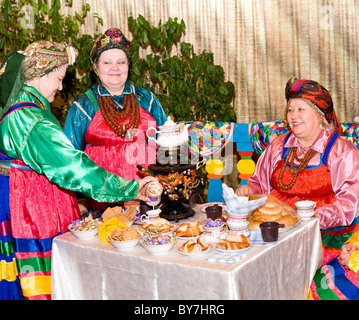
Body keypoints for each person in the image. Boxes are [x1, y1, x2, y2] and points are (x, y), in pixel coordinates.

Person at [0, 41, 157, 300]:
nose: (61, 87)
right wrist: (129, 187)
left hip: (27, 198)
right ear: (41, 74)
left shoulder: (25, 110)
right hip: (29, 209)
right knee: (43, 278)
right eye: (59, 79)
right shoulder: (32, 119)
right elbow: (71, 164)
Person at [235, 76, 359, 231]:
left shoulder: (341, 151)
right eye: (290, 110)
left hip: (324, 231)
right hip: (278, 227)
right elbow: (260, 183)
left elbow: (348, 204)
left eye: (301, 109)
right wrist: (250, 190)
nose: (293, 115)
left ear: (320, 116)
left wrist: (307, 219)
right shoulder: (279, 145)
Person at [64, 28, 167, 210]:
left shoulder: (147, 99)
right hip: (102, 198)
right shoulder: (84, 105)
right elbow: (71, 158)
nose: (115, 68)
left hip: (148, 194)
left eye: (121, 62)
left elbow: (167, 143)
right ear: (96, 67)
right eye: (107, 62)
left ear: (129, 66)